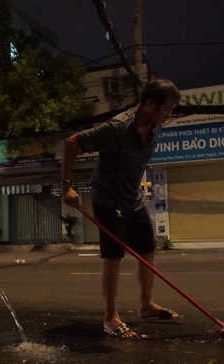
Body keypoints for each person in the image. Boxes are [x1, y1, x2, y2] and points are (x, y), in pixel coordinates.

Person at [61, 79, 181, 340]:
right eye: (166, 109)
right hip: (107, 199)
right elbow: (72, 143)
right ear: (149, 104)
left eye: (171, 110)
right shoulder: (116, 127)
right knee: (114, 256)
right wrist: (67, 187)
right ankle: (110, 317)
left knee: (146, 249)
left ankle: (146, 305)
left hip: (133, 199)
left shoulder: (155, 126)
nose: (168, 115)